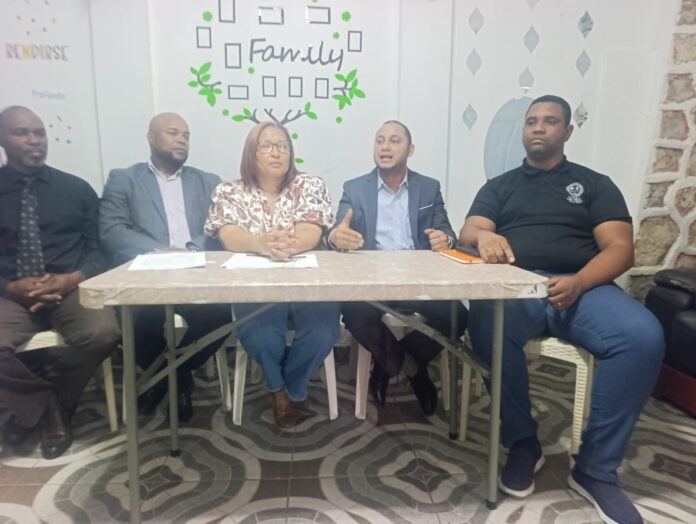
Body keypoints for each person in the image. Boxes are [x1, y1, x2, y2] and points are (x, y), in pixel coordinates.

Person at [460, 95, 664, 524]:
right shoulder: (500, 186)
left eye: (550, 121)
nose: (538, 127)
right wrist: (483, 238)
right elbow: (470, 229)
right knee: (487, 322)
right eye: (532, 121)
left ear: (567, 131)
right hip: (519, 287)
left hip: (584, 287)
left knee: (642, 336)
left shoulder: (594, 184)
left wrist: (581, 282)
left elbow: (621, 248)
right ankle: (522, 442)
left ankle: (596, 470)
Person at [0, 106, 119, 459]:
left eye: (39, 133)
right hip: (10, 293)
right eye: (22, 133)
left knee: (103, 333)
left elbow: (100, 249)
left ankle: (40, 405)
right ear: (3, 139)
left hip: (69, 288)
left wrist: (74, 278)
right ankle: (50, 407)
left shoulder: (76, 189)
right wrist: (9, 287)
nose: (34, 140)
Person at [205, 121, 340, 428]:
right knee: (262, 336)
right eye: (266, 145)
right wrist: (261, 244)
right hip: (255, 283)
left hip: (306, 281)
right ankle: (279, 390)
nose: (276, 152)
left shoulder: (310, 185)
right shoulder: (229, 191)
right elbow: (228, 234)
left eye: (283, 146)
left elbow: (311, 230)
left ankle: (291, 388)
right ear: (250, 153)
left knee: (323, 331)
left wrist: (285, 245)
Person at [327, 120, 467, 415]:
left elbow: (448, 233)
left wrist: (445, 240)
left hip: (419, 279)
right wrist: (335, 237)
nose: (385, 147)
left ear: (410, 149)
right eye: (380, 140)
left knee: (457, 317)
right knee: (353, 313)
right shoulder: (355, 188)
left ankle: (388, 364)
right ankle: (414, 371)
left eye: (394, 141)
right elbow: (337, 231)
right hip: (372, 281)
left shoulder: (428, 188)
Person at [99, 112, 231, 423]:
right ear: (151, 137)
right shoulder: (124, 179)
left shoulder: (208, 181)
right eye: (173, 133)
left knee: (220, 317)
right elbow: (112, 231)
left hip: (197, 270)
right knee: (135, 322)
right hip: (148, 273)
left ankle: (163, 379)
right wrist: (158, 251)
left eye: (186, 135)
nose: (182, 140)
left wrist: (191, 248)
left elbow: (220, 226)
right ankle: (180, 381)